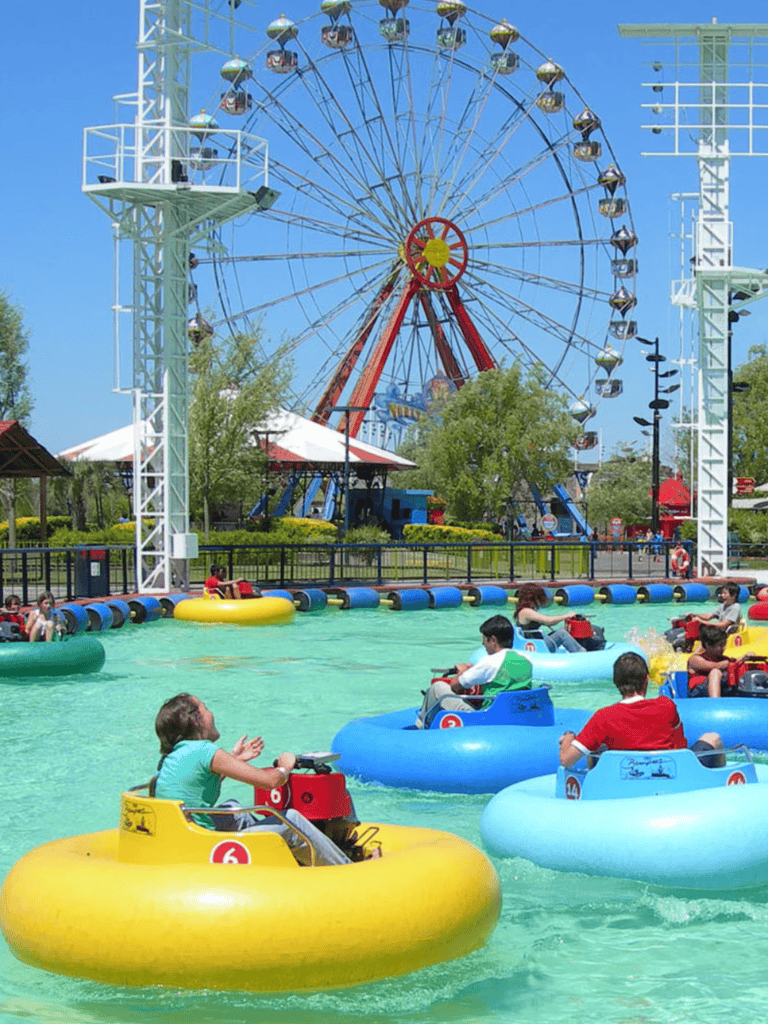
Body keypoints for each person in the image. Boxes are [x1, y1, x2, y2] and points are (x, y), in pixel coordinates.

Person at [153, 694, 352, 866]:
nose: (211, 713)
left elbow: (196, 783)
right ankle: (347, 867)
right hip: (201, 844)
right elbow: (269, 781)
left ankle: (278, 856)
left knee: (234, 808)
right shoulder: (205, 750)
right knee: (290, 819)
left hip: (182, 837)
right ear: (195, 721)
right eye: (206, 708)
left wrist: (236, 759)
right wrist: (285, 766)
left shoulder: (174, 756)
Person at [559, 651, 723, 767]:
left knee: (596, 752)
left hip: (628, 778)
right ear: (646, 680)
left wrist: (568, 738)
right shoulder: (666, 705)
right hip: (673, 774)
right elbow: (680, 744)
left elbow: (567, 760)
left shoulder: (603, 717)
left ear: (616, 683)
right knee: (712, 737)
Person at [415, 615, 532, 729]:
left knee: (437, 687)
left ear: (493, 640)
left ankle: (420, 727)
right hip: (517, 714)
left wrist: (462, 670)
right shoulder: (526, 660)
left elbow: (455, 686)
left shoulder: (489, 661)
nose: (483, 645)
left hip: (487, 718)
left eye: (484, 641)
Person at [513, 582, 585, 653]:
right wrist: (566, 615)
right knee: (562, 634)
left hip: (537, 642)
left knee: (562, 631)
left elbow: (549, 624)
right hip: (537, 645)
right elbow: (548, 621)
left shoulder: (526, 610)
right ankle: (582, 654)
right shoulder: (526, 611)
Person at [687, 624, 738, 698]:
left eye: (724, 645)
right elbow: (717, 666)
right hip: (699, 691)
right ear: (707, 645)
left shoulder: (724, 658)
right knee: (715, 672)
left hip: (722, 688)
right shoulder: (695, 659)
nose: (722, 648)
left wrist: (745, 659)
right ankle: (715, 703)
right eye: (719, 645)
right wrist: (736, 661)